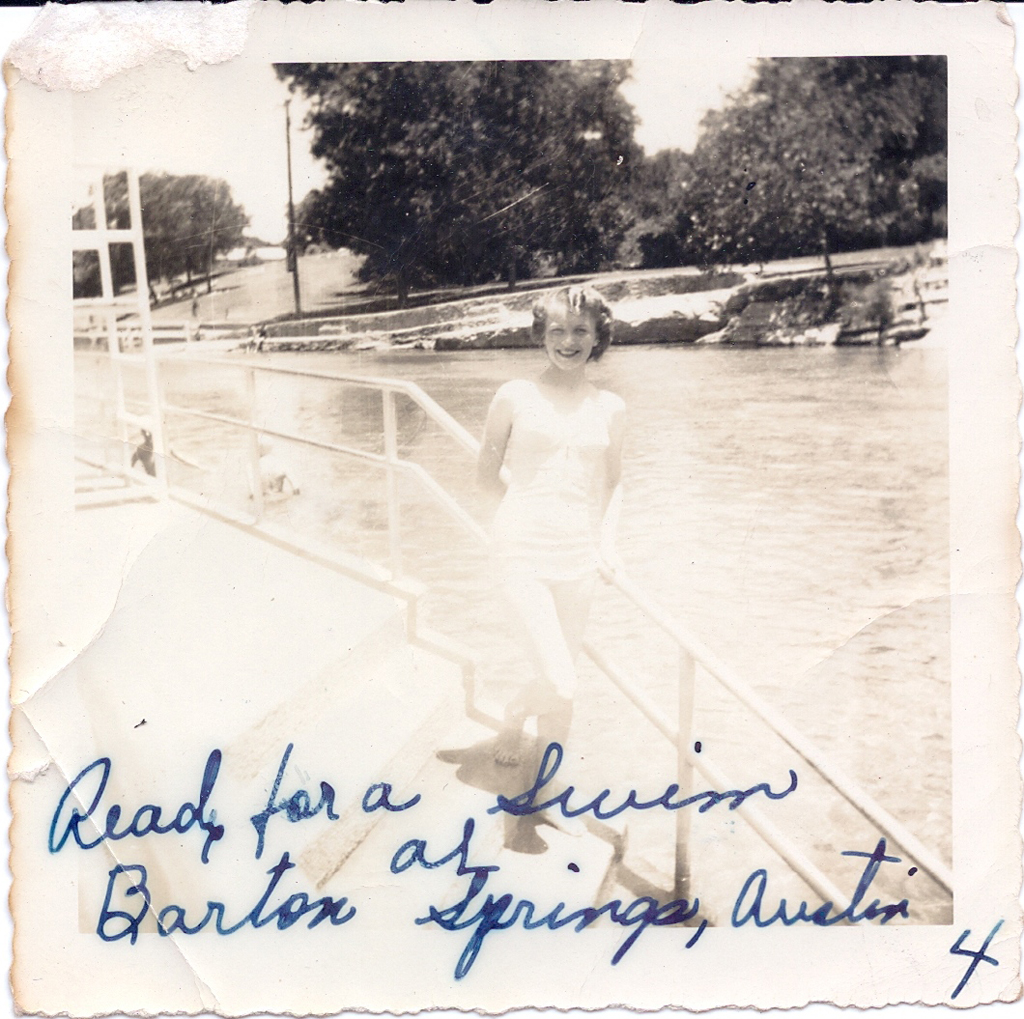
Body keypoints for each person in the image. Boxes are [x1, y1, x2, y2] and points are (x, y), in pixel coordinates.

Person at [477, 285, 625, 771]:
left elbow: (614, 482)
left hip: (578, 556)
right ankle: (515, 712)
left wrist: (607, 542)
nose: (568, 341)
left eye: (581, 330)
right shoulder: (514, 395)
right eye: (557, 330)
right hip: (521, 550)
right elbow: (485, 474)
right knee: (559, 680)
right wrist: (521, 516)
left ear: (598, 336)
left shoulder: (610, 407)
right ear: (541, 334)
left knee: (567, 677)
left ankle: (551, 788)